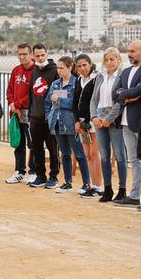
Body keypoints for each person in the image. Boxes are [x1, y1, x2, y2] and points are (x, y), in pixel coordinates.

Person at [113, 40, 141, 209]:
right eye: (128, 51)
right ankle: (134, 196)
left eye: (133, 51)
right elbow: (114, 93)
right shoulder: (125, 72)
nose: (129, 54)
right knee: (134, 160)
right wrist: (128, 96)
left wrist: (125, 94)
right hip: (126, 121)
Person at [46, 56, 90, 194]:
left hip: (71, 123)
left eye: (62, 68)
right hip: (57, 123)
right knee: (64, 154)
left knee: (79, 154)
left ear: (70, 67)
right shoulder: (55, 84)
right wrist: (49, 116)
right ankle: (67, 182)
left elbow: (74, 103)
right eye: (58, 68)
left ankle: (86, 183)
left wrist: (59, 100)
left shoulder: (76, 83)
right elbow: (48, 102)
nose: (59, 71)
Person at [88, 47, 126, 202]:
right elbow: (93, 100)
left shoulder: (123, 76)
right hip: (99, 118)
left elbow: (120, 101)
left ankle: (122, 189)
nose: (109, 62)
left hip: (114, 119)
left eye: (112, 59)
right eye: (107, 60)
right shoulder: (100, 76)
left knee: (119, 155)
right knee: (104, 156)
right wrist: (94, 117)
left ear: (118, 60)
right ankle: (108, 189)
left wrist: (109, 119)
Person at [25, 44, 59, 188]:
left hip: (50, 118)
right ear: (33, 56)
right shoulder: (34, 72)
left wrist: (56, 99)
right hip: (35, 117)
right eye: (37, 56)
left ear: (47, 54)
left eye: (42, 55)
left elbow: (63, 92)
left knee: (53, 149)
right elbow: (31, 94)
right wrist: (30, 114)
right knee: (37, 148)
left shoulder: (55, 71)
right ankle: (40, 176)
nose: (40, 58)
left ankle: (54, 177)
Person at [4, 44, 35, 184]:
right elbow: (9, 89)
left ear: (31, 55)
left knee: (33, 143)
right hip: (16, 113)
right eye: (19, 54)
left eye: (25, 54)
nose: (22, 57)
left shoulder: (36, 71)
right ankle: (20, 171)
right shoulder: (15, 70)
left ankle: (33, 171)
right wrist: (12, 104)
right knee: (19, 143)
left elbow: (33, 94)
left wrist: (17, 104)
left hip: (30, 114)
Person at [73, 54, 104, 197]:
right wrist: (77, 121)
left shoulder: (96, 79)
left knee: (94, 153)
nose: (82, 68)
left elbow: (95, 101)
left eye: (85, 65)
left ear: (90, 64)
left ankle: (99, 186)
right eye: (79, 66)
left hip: (92, 121)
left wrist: (87, 119)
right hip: (81, 123)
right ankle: (92, 185)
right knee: (87, 154)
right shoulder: (79, 80)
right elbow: (75, 102)